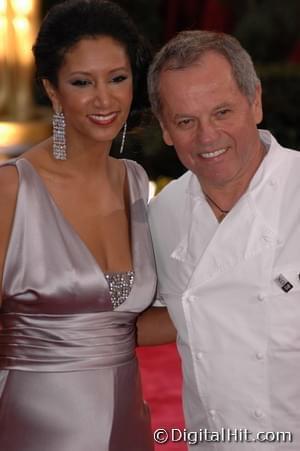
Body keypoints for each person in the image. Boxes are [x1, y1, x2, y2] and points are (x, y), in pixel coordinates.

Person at [0, 1, 156, 450]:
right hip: (34, 427)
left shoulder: (134, 182)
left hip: (128, 420)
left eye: (118, 78)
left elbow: (121, 324)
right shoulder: (13, 191)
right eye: (82, 82)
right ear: (52, 90)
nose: (104, 99)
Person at [147, 30, 300, 449]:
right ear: (165, 129)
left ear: (255, 102)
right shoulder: (163, 215)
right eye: (185, 122)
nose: (207, 137)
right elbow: (158, 315)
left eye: (222, 112)